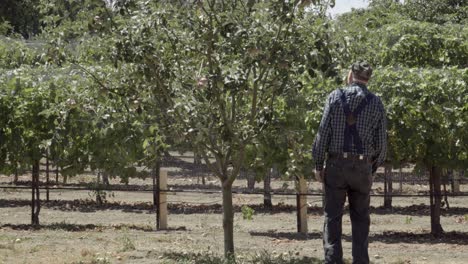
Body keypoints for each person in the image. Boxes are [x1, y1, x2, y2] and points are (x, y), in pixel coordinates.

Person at [312, 61, 387, 264]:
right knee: (361, 219)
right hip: (363, 167)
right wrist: (371, 169)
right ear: (368, 78)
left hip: (336, 165)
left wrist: (318, 165)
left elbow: (323, 133)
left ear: (350, 75)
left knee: (332, 217)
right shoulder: (376, 102)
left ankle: (332, 260)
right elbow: (381, 143)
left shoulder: (335, 97)